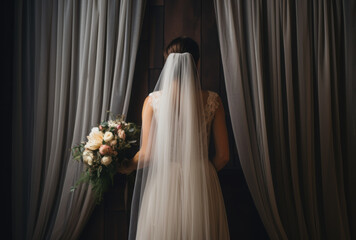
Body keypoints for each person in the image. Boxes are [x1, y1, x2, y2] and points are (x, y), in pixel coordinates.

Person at [118, 36, 230, 240]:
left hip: (164, 182)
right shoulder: (213, 100)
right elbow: (223, 156)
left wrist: (125, 166)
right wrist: (202, 171)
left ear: (167, 63)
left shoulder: (153, 101)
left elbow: (147, 155)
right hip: (201, 181)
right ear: (196, 63)